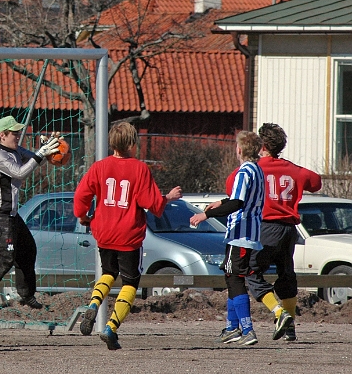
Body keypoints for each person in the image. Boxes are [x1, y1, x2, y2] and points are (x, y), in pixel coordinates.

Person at [73, 122, 182, 350]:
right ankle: (111, 327)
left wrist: (82, 216)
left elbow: (82, 194)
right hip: (128, 234)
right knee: (131, 281)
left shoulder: (99, 167)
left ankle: (93, 304)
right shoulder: (139, 168)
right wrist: (168, 198)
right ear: (132, 143)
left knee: (108, 273)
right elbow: (149, 202)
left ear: (111, 143)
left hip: (103, 231)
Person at [0, 116, 62, 322]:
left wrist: (48, 148)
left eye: (19, 131)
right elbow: (20, 172)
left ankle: (26, 295)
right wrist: (40, 154)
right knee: (6, 258)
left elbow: (34, 159)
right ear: (2, 135)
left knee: (28, 249)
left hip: (11, 215)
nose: (18, 135)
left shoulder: (15, 150)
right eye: (14, 132)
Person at [246, 123, 321, 342]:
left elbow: (232, 184)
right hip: (290, 229)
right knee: (286, 276)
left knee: (251, 272)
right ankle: (290, 329)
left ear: (262, 145)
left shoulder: (256, 168)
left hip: (266, 227)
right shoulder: (293, 169)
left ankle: (279, 313)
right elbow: (316, 183)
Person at [190, 130, 265, 346]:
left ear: (240, 149)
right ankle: (232, 327)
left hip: (240, 233)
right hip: (249, 232)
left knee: (234, 279)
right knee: (231, 277)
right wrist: (221, 202)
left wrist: (206, 214)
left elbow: (238, 203)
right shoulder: (257, 170)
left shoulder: (243, 172)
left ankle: (247, 329)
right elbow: (238, 198)